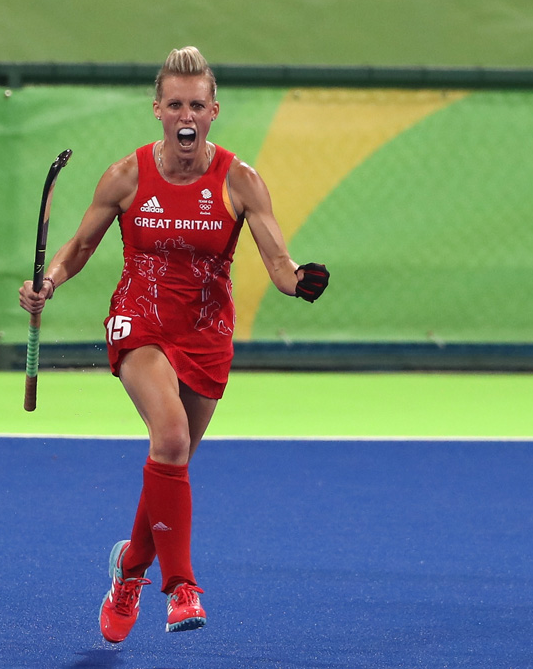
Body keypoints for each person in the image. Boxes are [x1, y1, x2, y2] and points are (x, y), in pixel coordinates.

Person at [17, 46, 329, 643]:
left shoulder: (240, 180)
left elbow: (278, 260)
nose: (187, 113)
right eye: (175, 103)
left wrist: (298, 283)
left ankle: (129, 571)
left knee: (173, 458)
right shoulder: (127, 175)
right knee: (171, 436)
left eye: (197, 104)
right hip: (140, 319)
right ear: (158, 109)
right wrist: (48, 283)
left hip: (207, 331)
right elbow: (79, 246)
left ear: (213, 111)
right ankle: (181, 586)